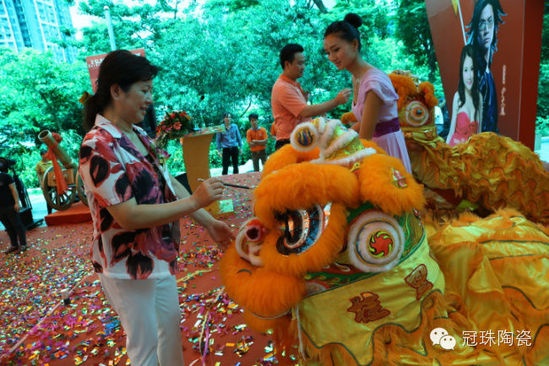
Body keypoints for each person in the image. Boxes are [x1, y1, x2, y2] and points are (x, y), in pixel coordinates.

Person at [78, 50, 234, 366]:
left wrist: (207, 221)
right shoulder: (97, 144)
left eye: (151, 91)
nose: (150, 99)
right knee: (145, 347)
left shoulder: (138, 135)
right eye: (144, 90)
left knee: (169, 332)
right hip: (126, 266)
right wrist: (195, 201)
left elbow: (168, 182)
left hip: (158, 256)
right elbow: (129, 215)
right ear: (117, 90)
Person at [323, 13, 412, 173]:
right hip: (373, 147)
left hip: (384, 149)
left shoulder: (373, 83)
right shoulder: (356, 77)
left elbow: (365, 136)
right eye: (328, 52)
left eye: (336, 50)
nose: (331, 57)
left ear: (354, 44)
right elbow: (364, 123)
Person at [271, 43, 351, 150]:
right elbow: (306, 111)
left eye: (304, 63)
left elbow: (300, 114)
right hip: (290, 143)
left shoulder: (293, 84)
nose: (303, 67)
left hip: (300, 140)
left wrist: (305, 100)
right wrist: (336, 101)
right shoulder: (283, 87)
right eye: (299, 63)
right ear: (287, 64)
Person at [466, 0, 505, 133]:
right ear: (476, 28)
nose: (487, 30)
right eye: (482, 23)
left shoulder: (487, 69)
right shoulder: (476, 71)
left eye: (490, 21)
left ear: (495, 24)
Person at [446, 45, 483, 146]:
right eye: (465, 70)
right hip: (455, 153)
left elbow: (479, 134)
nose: (469, 76)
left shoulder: (479, 97)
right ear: (461, 73)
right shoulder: (458, 97)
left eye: (472, 69)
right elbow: (450, 133)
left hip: (471, 155)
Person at [0, 157, 28, 254]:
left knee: (17, 225)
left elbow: (13, 189)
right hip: (0, 209)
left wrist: (17, 202)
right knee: (8, 227)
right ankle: (14, 244)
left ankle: (23, 244)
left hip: (10, 205)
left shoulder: (6, 176)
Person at [35, 149, 53, 214]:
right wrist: (41, 183)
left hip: (53, 181)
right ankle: (50, 213)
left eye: (45, 154)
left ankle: (60, 208)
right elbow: (38, 175)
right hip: (45, 183)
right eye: (43, 155)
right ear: (41, 155)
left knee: (58, 195)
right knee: (48, 198)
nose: (44, 156)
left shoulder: (52, 162)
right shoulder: (39, 164)